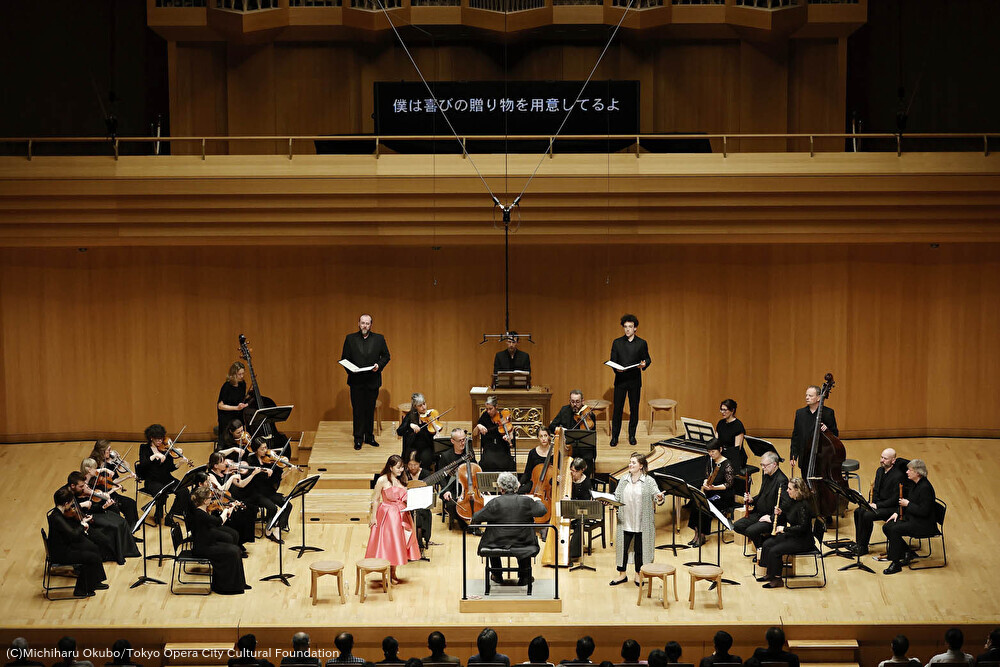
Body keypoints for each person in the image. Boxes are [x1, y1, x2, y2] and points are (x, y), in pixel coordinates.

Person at [473, 471, 547, 586]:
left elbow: (476, 517)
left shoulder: (495, 502)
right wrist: (538, 501)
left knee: (491, 538)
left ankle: (497, 575)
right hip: (522, 541)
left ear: (501, 488)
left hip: (498, 542)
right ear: (516, 486)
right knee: (523, 537)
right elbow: (542, 511)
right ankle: (525, 577)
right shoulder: (526, 501)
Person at [610, 452, 664, 586]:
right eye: (630, 462)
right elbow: (617, 496)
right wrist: (609, 501)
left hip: (642, 523)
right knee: (622, 548)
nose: (630, 464)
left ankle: (638, 575)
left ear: (641, 466)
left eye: (633, 462)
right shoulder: (623, 479)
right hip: (625, 521)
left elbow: (657, 496)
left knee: (640, 549)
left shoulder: (649, 481)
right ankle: (622, 575)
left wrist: (659, 498)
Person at [366, 455, 421, 581]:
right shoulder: (382, 480)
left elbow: (405, 497)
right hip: (388, 515)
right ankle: (386, 573)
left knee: (398, 544)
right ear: (390, 467)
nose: (401, 470)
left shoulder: (403, 479)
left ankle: (393, 572)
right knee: (388, 544)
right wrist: (373, 517)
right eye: (398, 467)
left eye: (402, 467)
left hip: (402, 514)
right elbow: (375, 499)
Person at [66, 471, 139, 564]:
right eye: (81, 486)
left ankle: (127, 547)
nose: (84, 487)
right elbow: (70, 512)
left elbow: (92, 507)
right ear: (72, 486)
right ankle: (117, 553)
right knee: (114, 526)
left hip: (92, 514)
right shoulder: (68, 495)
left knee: (121, 520)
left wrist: (103, 507)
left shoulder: (82, 490)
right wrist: (82, 505)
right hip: (86, 520)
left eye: (84, 485)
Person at [341, 313, 391, 450]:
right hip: (356, 381)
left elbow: (386, 356)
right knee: (358, 410)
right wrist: (352, 370)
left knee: (369, 410)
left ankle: (369, 437)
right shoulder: (350, 338)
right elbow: (345, 358)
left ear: (371, 325)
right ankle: (358, 438)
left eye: (367, 323)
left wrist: (378, 365)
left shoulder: (379, 339)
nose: (365, 326)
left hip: (372, 380)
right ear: (358, 324)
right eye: (362, 323)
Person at [758, 477, 817, 589]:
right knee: (767, 544)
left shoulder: (804, 506)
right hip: (794, 536)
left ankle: (777, 579)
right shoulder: (793, 502)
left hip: (803, 541)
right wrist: (780, 513)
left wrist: (784, 529)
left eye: (790, 489)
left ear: (797, 490)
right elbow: (790, 517)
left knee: (775, 551)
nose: (787, 490)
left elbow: (802, 527)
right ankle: (770, 574)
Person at [47, 487, 108, 597]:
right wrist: (82, 525)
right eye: (71, 502)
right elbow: (73, 534)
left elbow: (69, 531)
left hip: (66, 544)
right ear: (66, 503)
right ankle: (81, 590)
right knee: (91, 557)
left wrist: (81, 524)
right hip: (62, 553)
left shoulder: (58, 513)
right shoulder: (56, 518)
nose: (72, 505)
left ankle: (95, 581)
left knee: (94, 547)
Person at [189, 486, 249, 594]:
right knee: (233, 551)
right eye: (210, 497)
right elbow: (218, 521)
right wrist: (226, 511)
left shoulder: (203, 511)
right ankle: (224, 587)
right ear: (205, 501)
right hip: (203, 547)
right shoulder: (199, 514)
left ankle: (239, 584)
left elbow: (216, 522)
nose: (211, 499)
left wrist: (227, 510)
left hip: (209, 543)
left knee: (236, 550)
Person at [882, 459, 938, 575]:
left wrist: (908, 504)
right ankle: (907, 552)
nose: (907, 472)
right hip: (913, 519)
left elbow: (924, 511)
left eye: (909, 470)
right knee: (887, 527)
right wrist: (897, 513)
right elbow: (907, 501)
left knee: (895, 530)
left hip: (923, 524)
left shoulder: (925, 488)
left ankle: (895, 563)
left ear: (917, 473)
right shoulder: (914, 484)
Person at [852, 448, 911, 556]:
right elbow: (875, 490)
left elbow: (895, 499)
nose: (882, 460)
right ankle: (859, 544)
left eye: (885, 458)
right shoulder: (880, 470)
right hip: (880, 505)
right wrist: (871, 503)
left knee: (867, 515)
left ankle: (863, 547)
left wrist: (877, 505)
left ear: (893, 461)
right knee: (858, 512)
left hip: (891, 508)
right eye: (881, 457)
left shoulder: (898, 476)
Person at [609, 313, 651, 447]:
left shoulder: (641, 343)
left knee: (634, 409)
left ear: (635, 328)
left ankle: (632, 435)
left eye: (630, 327)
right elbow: (613, 360)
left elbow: (647, 359)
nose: (627, 329)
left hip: (634, 381)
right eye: (625, 327)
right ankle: (615, 437)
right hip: (620, 381)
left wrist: (644, 364)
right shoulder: (617, 342)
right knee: (617, 410)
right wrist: (616, 369)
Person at [733, 451, 788, 551]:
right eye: (761, 465)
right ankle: (763, 546)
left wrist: (771, 518)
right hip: (759, 513)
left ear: (774, 464)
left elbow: (785, 505)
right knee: (737, 526)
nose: (762, 468)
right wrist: (752, 500)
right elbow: (762, 495)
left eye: (765, 465)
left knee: (751, 531)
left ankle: (763, 549)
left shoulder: (782, 480)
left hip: (771, 517)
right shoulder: (766, 474)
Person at [687, 439, 736, 546]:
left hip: (723, 495)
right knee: (695, 503)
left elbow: (728, 484)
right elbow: (707, 476)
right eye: (709, 451)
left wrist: (714, 488)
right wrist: (705, 483)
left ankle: (702, 535)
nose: (711, 454)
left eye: (713, 451)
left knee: (704, 506)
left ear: (720, 449)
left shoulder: (727, 464)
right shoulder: (711, 461)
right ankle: (696, 533)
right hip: (711, 491)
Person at [244, 438, 290, 543]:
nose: (265, 450)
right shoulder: (251, 461)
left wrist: (288, 470)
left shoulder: (269, 460)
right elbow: (253, 478)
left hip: (269, 492)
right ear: (256, 450)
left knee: (288, 505)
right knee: (272, 508)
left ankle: (277, 529)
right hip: (256, 493)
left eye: (266, 447)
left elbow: (277, 478)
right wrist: (263, 472)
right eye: (262, 449)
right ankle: (268, 531)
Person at [137, 423, 183, 524]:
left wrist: (179, 463)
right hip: (152, 481)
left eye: (161, 439)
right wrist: (154, 456)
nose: (160, 441)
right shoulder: (144, 448)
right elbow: (143, 465)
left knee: (183, 490)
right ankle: (158, 512)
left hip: (167, 478)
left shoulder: (166, 448)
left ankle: (170, 515)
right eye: (157, 439)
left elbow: (170, 468)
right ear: (151, 438)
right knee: (161, 492)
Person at [789, 385, 838, 479]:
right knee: (805, 482)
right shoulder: (800, 413)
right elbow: (796, 436)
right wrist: (793, 455)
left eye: (810, 396)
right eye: (806, 395)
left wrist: (827, 430)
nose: (807, 397)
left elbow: (835, 434)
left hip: (822, 457)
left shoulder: (828, 413)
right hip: (805, 457)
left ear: (819, 398)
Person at [439, 428, 477, 532]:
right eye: (460, 440)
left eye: (464, 439)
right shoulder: (446, 456)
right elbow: (441, 476)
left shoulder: (469, 453)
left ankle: (474, 524)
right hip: (451, 488)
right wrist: (446, 490)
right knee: (452, 504)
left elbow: (475, 469)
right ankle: (465, 525)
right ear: (452, 441)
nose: (463, 443)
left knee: (476, 501)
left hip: (468, 487)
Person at [476, 396, 516, 472]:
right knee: (488, 462)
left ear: (496, 407)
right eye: (487, 409)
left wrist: (508, 439)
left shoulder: (503, 417)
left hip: (502, 449)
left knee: (505, 463)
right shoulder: (485, 416)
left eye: (490, 409)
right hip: (489, 448)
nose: (488, 411)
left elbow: (512, 442)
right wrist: (479, 425)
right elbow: (474, 434)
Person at [398, 393, 437, 471]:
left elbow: (434, 431)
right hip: (412, 446)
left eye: (424, 404)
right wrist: (410, 425)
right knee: (412, 457)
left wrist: (436, 431)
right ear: (415, 407)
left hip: (426, 445)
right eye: (420, 405)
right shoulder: (410, 416)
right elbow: (399, 431)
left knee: (426, 458)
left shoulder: (430, 415)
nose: (424, 407)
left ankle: (425, 476)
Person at [405, 450, 433, 555]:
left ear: (419, 463)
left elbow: (429, 491)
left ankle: (419, 541)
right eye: (410, 465)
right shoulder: (404, 474)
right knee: (414, 513)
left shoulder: (425, 473)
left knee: (421, 514)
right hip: (408, 504)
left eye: (415, 465)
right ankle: (416, 543)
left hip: (422, 503)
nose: (412, 467)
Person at [567, 457, 594, 559]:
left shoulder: (586, 482)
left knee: (580, 522)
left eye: (575, 471)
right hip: (570, 509)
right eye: (572, 470)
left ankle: (572, 553)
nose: (573, 473)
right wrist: (556, 480)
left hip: (583, 511)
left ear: (582, 470)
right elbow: (552, 482)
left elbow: (586, 502)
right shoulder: (568, 478)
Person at [217, 361, 249, 447]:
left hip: (238, 416)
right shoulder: (226, 386)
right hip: (226, 418)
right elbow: (220, 406)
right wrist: (236, 408)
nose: (242, 376)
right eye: (239, 374)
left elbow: (240, 399)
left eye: (243, 374)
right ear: (233, 374)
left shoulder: (242, 384)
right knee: (227, 441)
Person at [518, 426, 554, 494]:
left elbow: (559, 471)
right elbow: (527, 473)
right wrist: (519, 483)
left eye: (545, 435)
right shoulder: (533, 452)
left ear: (549, 437)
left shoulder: (555, 453)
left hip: (550, 484)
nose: (543, 438)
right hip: (535, 483)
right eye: (541, 436)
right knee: (519, 491)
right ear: (538, 438)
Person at [716, 399, 747, 471]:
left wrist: (722, 455)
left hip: (735, 457)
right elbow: (716, 441)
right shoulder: (720, 423)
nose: (722, 412)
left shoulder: (738, 425)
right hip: (722, 454)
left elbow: (737, 449)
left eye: (725, 410)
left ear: (732, 410)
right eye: (721, 410)